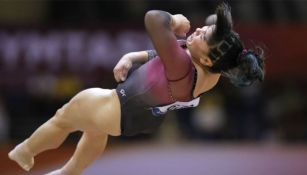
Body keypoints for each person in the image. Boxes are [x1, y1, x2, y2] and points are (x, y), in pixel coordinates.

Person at [8, 3, 265, 175]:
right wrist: (132, 56)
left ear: (208, 59)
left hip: (116, 105)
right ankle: (68, 173)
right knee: (95, 133)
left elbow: (153, 19)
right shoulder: (211, 74)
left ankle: (26, 151)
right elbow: (165, 56)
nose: (196, 30)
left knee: (64, 117)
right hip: (135, 120)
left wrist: (174, 20)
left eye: (202, 35)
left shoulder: (181, 65)